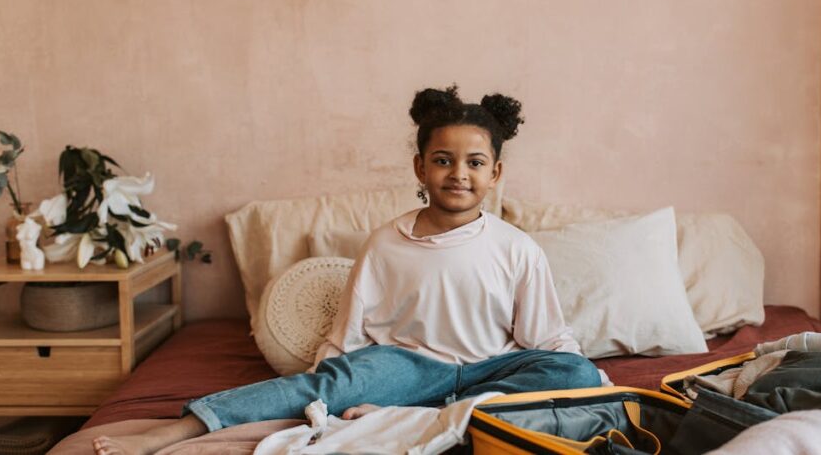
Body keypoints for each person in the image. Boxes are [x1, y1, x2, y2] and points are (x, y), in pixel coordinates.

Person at [93, 85, 601, 455]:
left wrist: (583, 375)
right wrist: (334, 379)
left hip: (491, 370)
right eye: (444, 160)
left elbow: (543, 337)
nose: (458, 174)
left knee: (576, 373)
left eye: (474, 163)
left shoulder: (517, 248)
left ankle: (422, 420)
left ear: (495, 173)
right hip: (406, 366)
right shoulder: (385, 243)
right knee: (322, 387)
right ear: (421, 168)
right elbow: (350, 329)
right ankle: (180, 430)